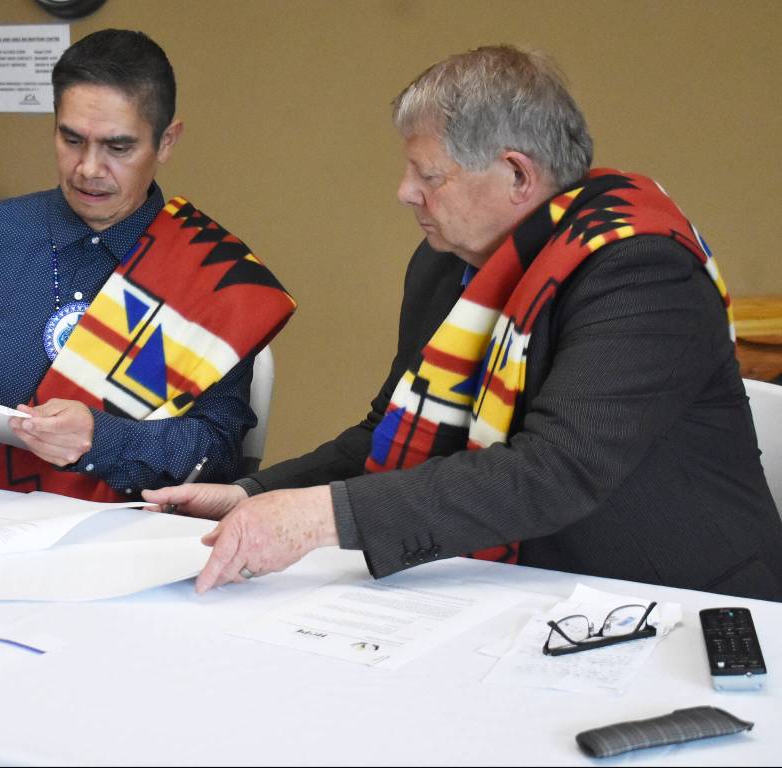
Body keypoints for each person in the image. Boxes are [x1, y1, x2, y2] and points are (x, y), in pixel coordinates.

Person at [145, 45, 782, 601]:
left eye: (429, 175)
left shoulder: (639, 268)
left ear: (516, 175)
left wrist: (319, 518)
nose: (404, 192)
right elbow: (386, 432)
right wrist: (255, 493)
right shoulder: (443, 265)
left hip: (675, 601)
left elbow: (554, 471)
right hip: (512, 584)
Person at [0, 29, 295, 502]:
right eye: (72, 139)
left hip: (134, 541)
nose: (88, 168)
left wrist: (102, 440)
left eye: (118, 147)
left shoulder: (211, 279)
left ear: (166, 141)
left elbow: (219, 451)